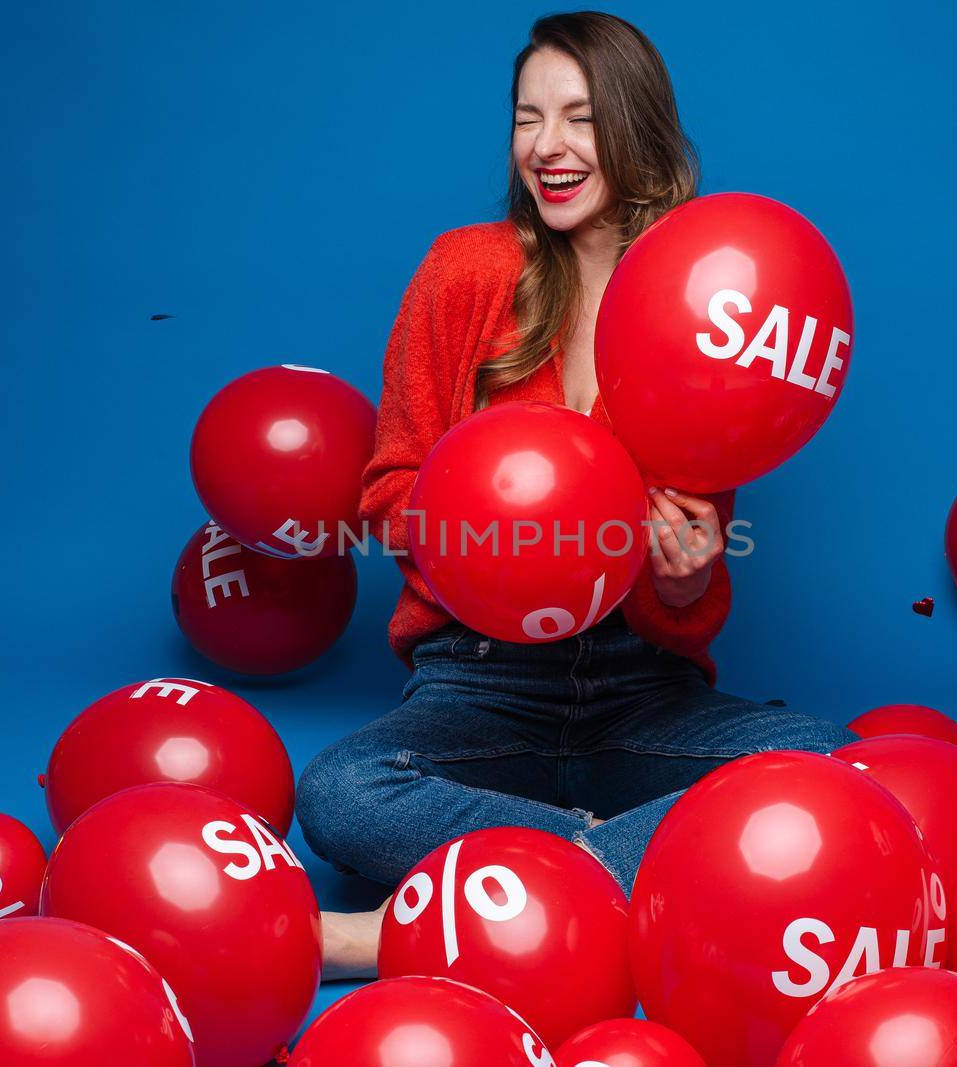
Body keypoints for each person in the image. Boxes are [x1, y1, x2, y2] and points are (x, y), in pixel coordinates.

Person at [296, 10, 854, 979]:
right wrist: (496, 533)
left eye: (580, 118)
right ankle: (637, 873)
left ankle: (468, 909)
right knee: (341, 789)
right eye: (527, 118)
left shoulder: (705, 304)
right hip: (479, 682)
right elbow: (389, 488)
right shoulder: (463, 272)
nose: (546, 147)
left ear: (636, 130)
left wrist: (684, 577)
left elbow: (687, 588)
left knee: (840, 773)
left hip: (641, 687)